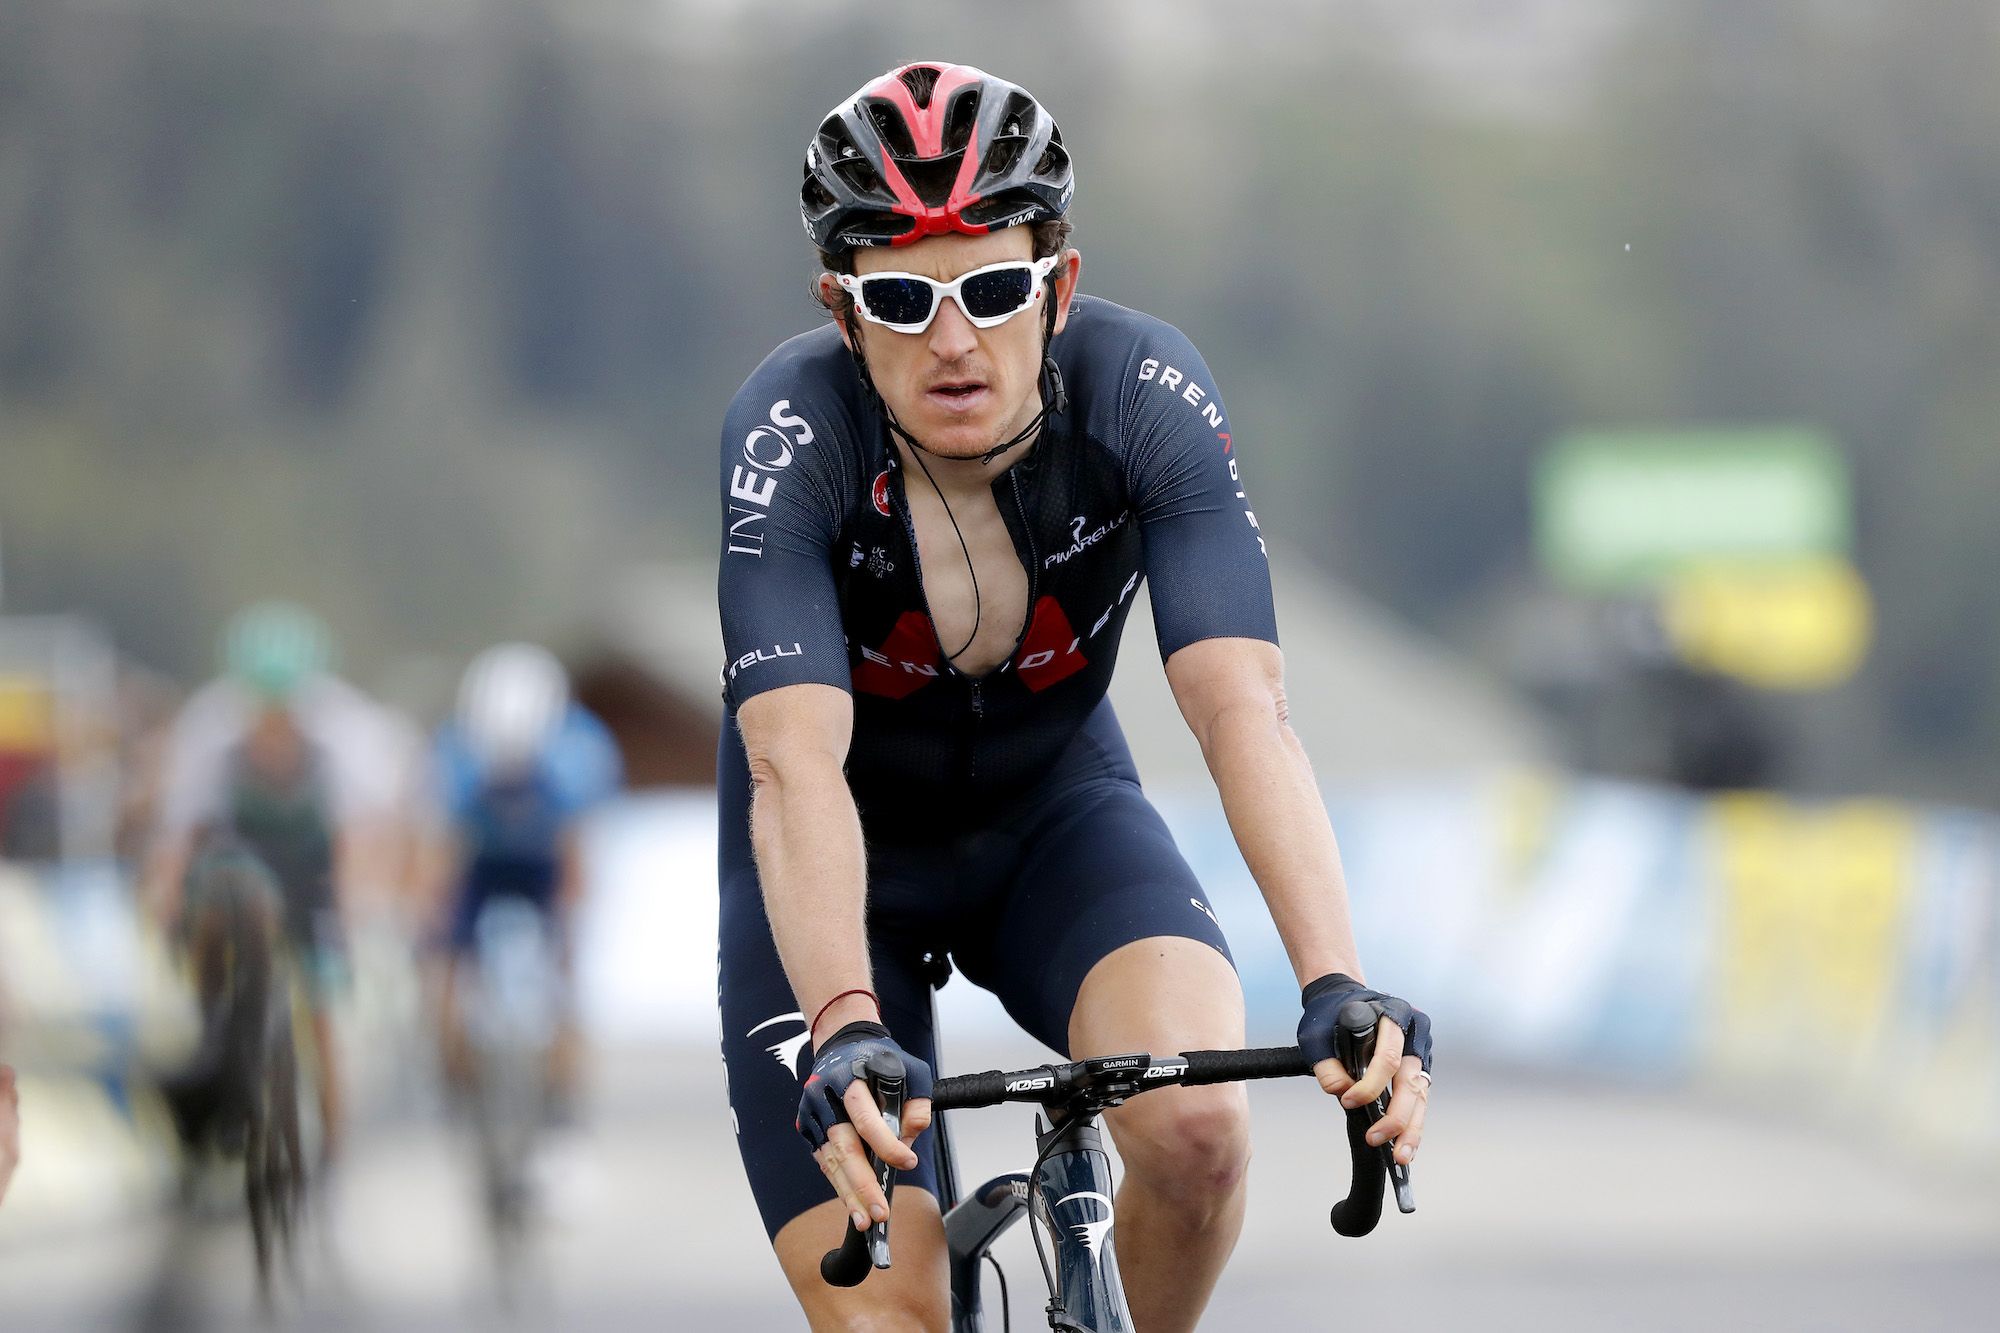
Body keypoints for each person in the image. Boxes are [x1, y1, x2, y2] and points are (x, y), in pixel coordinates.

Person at [717, 62, 1435, 1330]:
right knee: (889, 1313)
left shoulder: (1139, 393)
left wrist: (1334, 980)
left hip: (1052, 817)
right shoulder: (791, 430)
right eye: (901, 299)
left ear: (1058, 287)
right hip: (835, 856)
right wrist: (841, 1022)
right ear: (842, 313)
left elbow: (1241, 710)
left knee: (1199, 1135)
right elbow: (791, 762)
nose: (952, 341)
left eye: (993, 291)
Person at [146, 601, 399, 1167]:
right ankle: (217, 1036)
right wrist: (170, 905)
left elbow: (360, 838)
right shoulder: (210, 727)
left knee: (323, 1014)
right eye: (262, 706)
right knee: (215, 910)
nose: (274, 720)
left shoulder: (344, 732)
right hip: (241, 864)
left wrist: (352, 912)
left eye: (285, 706)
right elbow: (181, 836)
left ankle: (333, 1148)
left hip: (312, 871)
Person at [427, 643, 621, 1134]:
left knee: (564, 976)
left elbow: (577, 852)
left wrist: (569, 921)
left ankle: (563, 1091)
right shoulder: (453, 754)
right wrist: (441, 922)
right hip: (482, 864)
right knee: (446, 966)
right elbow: (443, 850)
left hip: (545, 864)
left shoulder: (582, 754)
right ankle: (456, 1077)